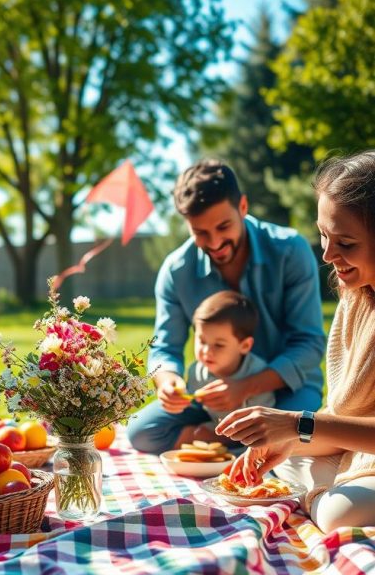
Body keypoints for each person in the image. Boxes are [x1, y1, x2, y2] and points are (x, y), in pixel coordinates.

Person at [217, 150, 375, 533]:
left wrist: (297, 425)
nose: (326, 253)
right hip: (360, 452)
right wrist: (289, 440)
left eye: (346, 243)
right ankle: (318, 490)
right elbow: (345, 417)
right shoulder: (357, 298)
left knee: (341, 514)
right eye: (323, 234)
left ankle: (316, 497)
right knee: (279, 459)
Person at [127, 158, 325, 454]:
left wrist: (244, 387)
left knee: (290, 444)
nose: (216, 242)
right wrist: (168, 382)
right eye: (201, 233)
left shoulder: (290, 250)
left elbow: (309, 344)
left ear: (243, 207)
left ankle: (235, 442)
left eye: (223, 226)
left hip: (286, 391)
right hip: (211, 399)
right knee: (141, 432)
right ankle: (231, 441)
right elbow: (164, 348)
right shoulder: (176, 271)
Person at [176, 290, 275, 450]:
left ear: (245, 346)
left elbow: (263, 424)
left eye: (219, 345)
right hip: (217, 426)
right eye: (201, 341)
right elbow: (196, 408)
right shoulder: (196, 371)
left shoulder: (257, 373)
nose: (206, 351)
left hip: (251, 435)